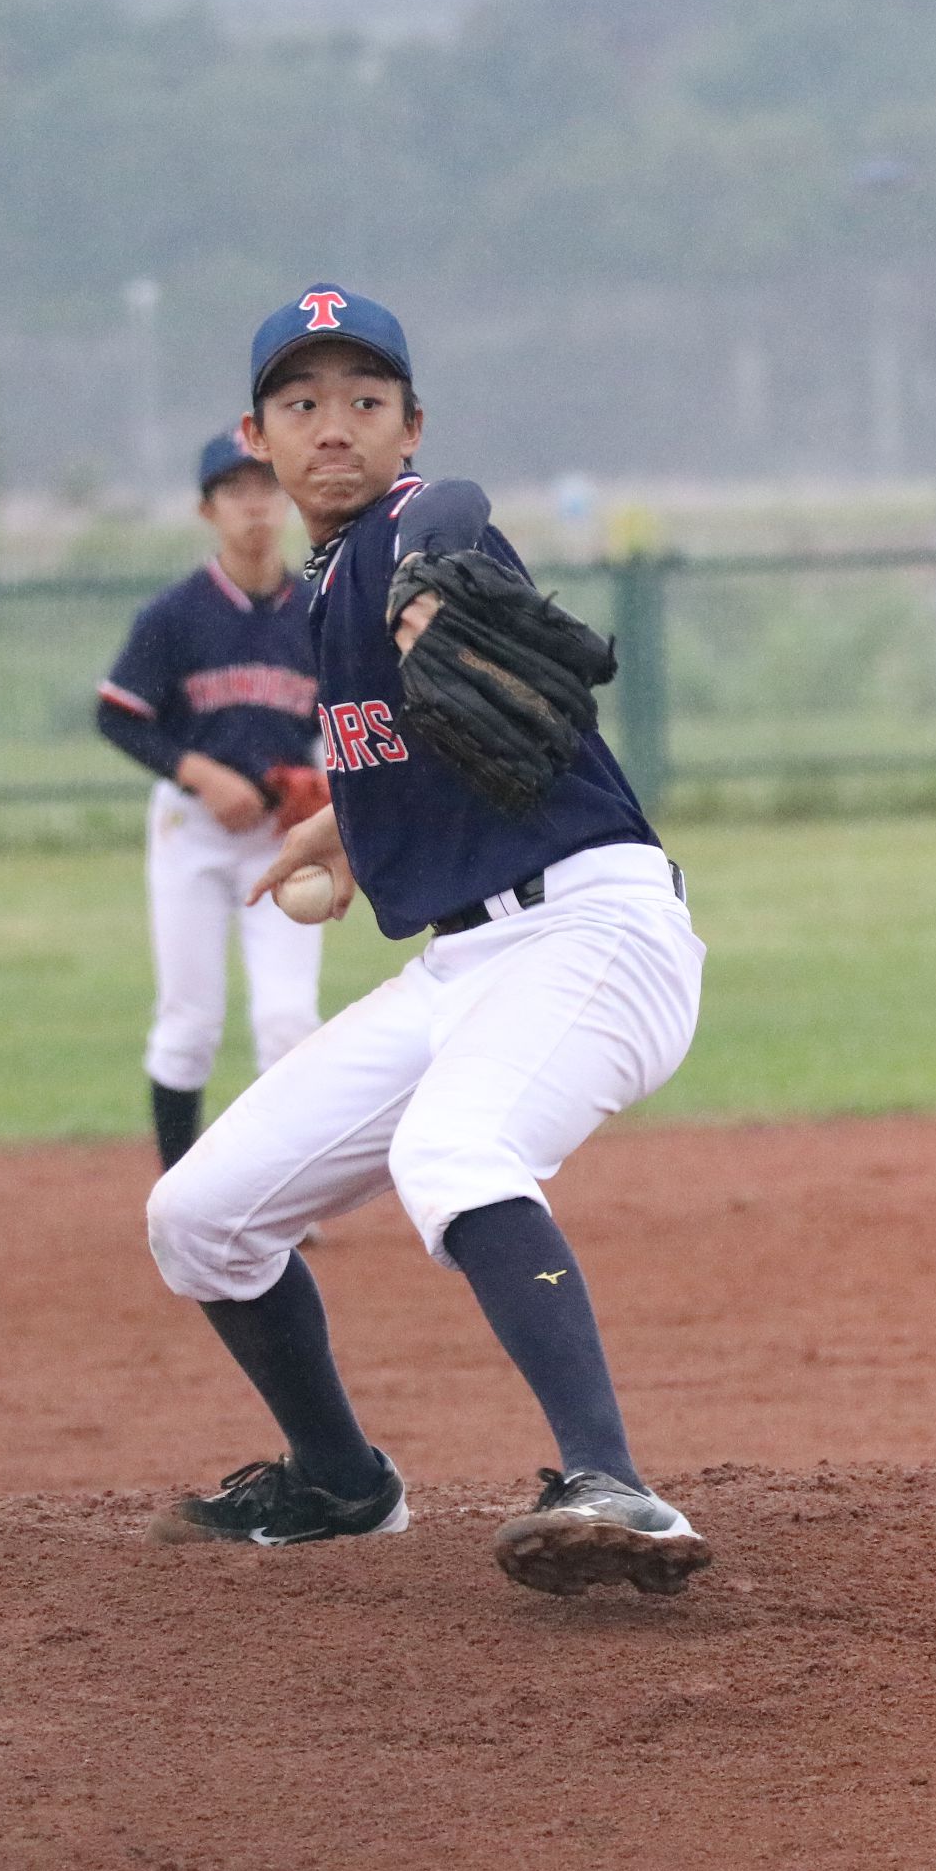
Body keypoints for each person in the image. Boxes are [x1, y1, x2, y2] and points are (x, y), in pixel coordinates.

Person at [142, 287, 711, 1597]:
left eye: (366, 400)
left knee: (452, 1151)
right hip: (463, 965)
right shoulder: (326, 591)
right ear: (257, 440)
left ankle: (612, 1483)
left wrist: (432, 582)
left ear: (410, 426)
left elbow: (449, 508)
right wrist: (346, 828)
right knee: (201, 1217)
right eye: (301, 404)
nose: (334, 426)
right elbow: (415, 746)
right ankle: (340, 1481)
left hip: (594, 931)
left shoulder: (411, 534)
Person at [95, 431, 332, 1170]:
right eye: (236, 491)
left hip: (284, 838)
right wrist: (201, 773)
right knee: (188, 1024)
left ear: (288, 498)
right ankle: (180, 1198)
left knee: (288, 1019)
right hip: (191, 830)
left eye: (267, 487)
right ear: (208, 510)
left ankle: (282, 1197)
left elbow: (343, 725)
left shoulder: (319, 613)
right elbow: (118, 716)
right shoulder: (174, 616)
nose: (254, 505)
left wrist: (326, 787)